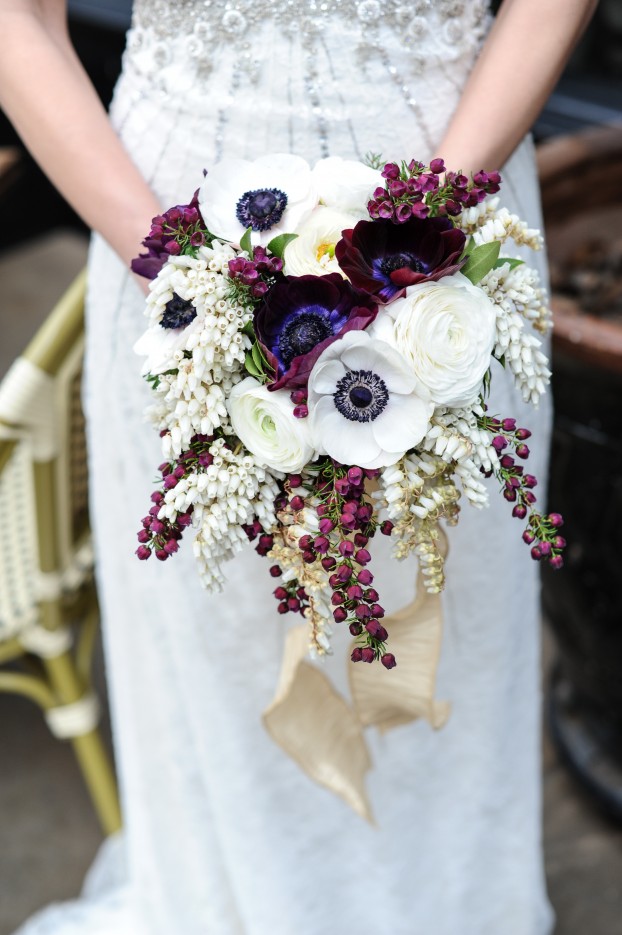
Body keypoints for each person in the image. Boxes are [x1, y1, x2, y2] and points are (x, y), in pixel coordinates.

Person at [0, 2, 597, 933]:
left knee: (451, 645)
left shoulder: (443, 230)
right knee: (222, 665)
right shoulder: (173, 267)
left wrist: (422, 235)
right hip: (164, 226)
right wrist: (184, 276)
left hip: (454, 207)